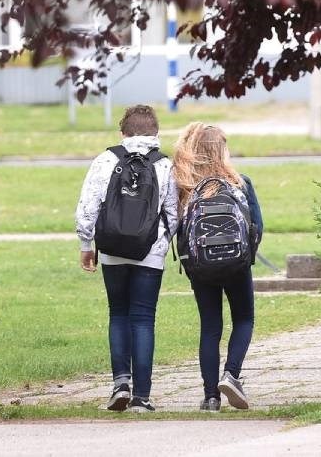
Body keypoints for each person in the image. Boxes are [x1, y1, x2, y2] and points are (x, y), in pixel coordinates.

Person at [75, 104, 178, 413]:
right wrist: (160, 243)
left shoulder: (106, 159)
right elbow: (174, 213)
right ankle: (142, 397)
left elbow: (88, 206)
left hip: (111, 250)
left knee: (118, 313)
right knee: (144, 319)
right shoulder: (164, 165)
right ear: (156, 134)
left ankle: (121, 383)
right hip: (150, 252)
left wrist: (86, 243)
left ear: (123, 132)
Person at [172, 122, 263, 411]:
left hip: (201, 268)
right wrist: (246, 258)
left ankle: (211, 396)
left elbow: (179, 231)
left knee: (210, 326)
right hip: (237, 265)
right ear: (222, 151)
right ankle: (232, 375)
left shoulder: (185, 188)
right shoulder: (240, 183)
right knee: (244, 318)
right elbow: (256, 227)